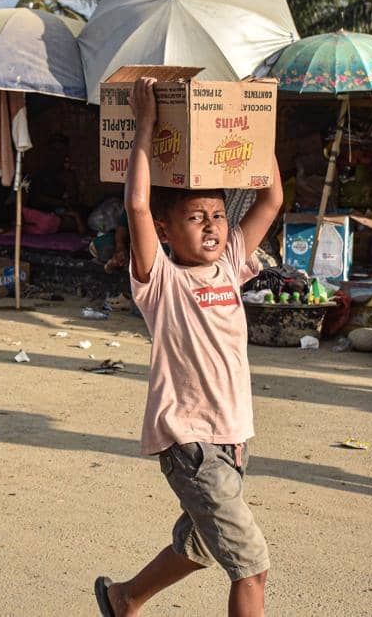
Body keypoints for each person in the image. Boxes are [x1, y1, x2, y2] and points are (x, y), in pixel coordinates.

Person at [95, 76, 284, 617]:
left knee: (201, 544)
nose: (212, 227)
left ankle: (123, 598)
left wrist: (253, 127)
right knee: (252, 567)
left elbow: (271, 197)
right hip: (191, 444)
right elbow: (135, 205)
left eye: (218, 216)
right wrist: (145, 127)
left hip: (232, 439)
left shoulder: (231, 265)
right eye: (196, 218)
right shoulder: (160, 281)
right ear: (165, 229)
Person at [29, 133, 86, 232]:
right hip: (42, 213)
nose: (57, 155)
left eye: (61, 151)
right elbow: (36, 198)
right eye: (54, 150)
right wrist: (60, 203)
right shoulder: (40, 174)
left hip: (60, 212)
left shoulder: (68, 175)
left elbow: (74, 200)